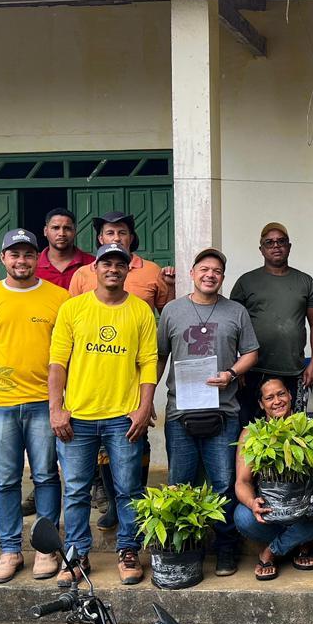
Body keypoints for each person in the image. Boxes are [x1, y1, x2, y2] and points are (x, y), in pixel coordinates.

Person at [48, 241, 158, 587]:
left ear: (128, 270)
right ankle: (77, 554)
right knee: (77, 490)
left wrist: (143, 408)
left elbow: (148, 363)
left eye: (120, 264)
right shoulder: (73, 309)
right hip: (78, 417)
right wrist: (57, 409)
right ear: (94, 269)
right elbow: (57, 363)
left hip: (123, 418)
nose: (113, 269)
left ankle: (128, 551)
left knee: (128, 490)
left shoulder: (140, 311)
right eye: (106, 263)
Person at [0, 228, 69, 584]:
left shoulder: (58, 298)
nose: (21, 261)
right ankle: (10, 550)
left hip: (45, 401)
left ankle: (46, 549)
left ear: (37, 259)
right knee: (5, 479)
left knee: (44, 475)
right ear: (3, 259)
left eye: (28, 254)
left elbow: (65, 352)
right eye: (14, 254)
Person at [157, 248, 260, 577]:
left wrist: (230, 373)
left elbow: (252, 352)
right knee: (180, 483)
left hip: (224, 412)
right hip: (180, 413)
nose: (210, 275)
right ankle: (186, 548)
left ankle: (226, 548)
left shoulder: (236, 311)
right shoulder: (172, 311)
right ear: (192, 272)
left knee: (223, 484)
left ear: (223, 277)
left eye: (216, 271)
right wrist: (145, 400)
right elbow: (160, 356)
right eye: (204, 269)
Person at [68, 210, 172, 530]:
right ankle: (112, 504)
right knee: (102, 452)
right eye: (110, 233)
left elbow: (167, 324)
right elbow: (70, 335)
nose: (116, 238)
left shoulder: (153, 272)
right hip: (93, 385)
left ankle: (131, 514)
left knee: (135, 444)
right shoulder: (84, 275)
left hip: (138, 379)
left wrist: (149, 389)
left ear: (131, 237)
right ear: (100, 240)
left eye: (122, 233)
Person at [233, 377, 313, 580]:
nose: (277, 401)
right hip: (271, 511)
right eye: (269, 397)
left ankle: (272, 551)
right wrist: (252, 502)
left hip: (306, 509)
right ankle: (301, 540)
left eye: (281, 394)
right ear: (261, 404)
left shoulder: (311, 428)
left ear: (290, 396)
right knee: (242, 517)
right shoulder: (251, 434)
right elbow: (242, 482)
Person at [230, 222, 313, 425]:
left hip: (293, 370)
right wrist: (238, 366)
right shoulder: (246, 282)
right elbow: (233, 327)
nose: (275, 246)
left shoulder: (304, 281)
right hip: (253, 370)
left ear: (289, 246)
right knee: (251, 430)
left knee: (293, 431)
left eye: (281, 241)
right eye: (269, 242)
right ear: (261, 249)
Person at [36, 207, 95, 290]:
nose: (61, 233)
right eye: (56, 228)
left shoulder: (92, 263)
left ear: (75, 231)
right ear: (45, 231)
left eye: (67, 228)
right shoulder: (33, 264)